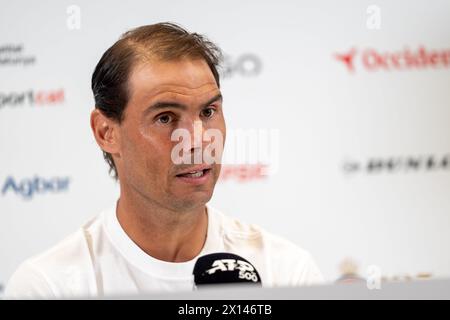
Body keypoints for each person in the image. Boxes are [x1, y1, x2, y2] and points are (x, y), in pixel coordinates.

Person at [5, 22, 323, 298]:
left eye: (208, 112)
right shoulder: (48, 287)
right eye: (166, 118)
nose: (198, 140)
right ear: (106, 132)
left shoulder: (286, 273)